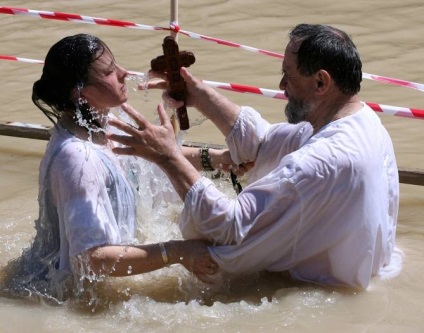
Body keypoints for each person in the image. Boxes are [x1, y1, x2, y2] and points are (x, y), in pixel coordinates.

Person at [107, 24, 400, 289]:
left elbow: (229, 228)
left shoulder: (319, 162)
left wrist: (168, 158)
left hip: (315, 295)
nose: (282, 86)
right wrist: (197, 93)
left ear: (321, 83)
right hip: (364, 280)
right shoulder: (364, 121)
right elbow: (264, 144)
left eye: (288, 75)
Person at [1, 33, 223, 302]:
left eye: (116, 64)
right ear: (79, 92)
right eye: (109, 72)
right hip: (50, 298)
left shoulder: (102, 122)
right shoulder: (77, 159)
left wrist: (219, 158)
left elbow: (153, 157)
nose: (124, 73)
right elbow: (91, 259)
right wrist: (177, 252)